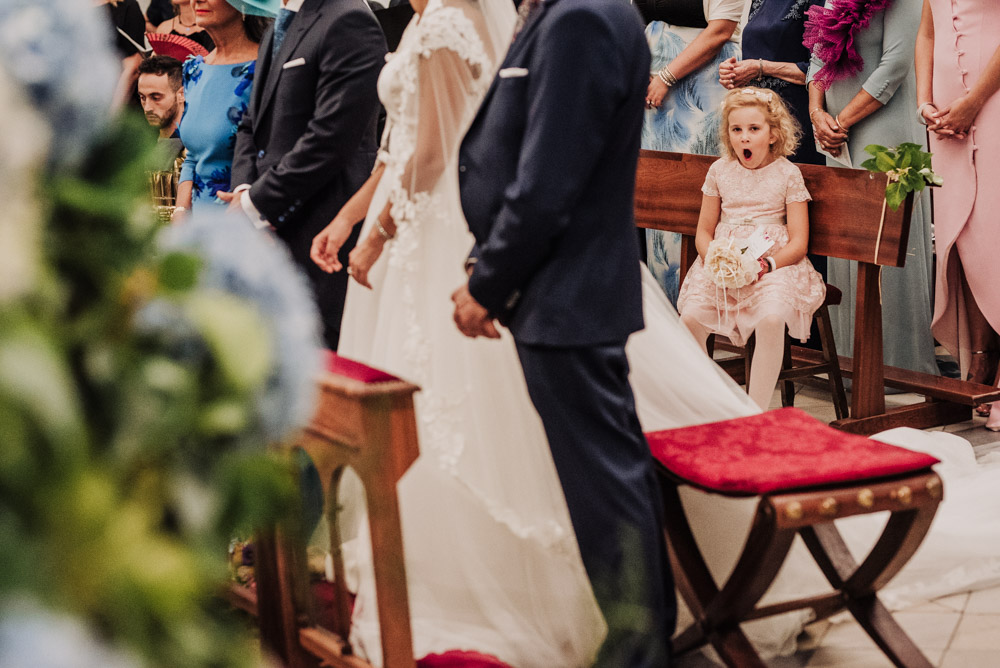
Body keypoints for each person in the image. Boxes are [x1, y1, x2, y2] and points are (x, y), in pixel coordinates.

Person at [455, 0, 674, 664]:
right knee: (608, 478)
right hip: (560, 289)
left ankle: (638, 647)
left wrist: (487, 282)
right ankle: (642, 635)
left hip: (564, 289)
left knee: (605, 487)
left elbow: (549, 180)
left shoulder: (581, 17)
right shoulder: (565, 11)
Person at [227, 0, 386, 351]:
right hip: (272, 227)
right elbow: (251, 123)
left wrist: (256, 202)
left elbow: (330, 139)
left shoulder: (349, 20)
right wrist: (244, 187)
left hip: (321, 222)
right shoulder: (277, 28)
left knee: (324, 356)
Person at [804, 0, 937, 376]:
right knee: (846, 243)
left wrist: (840, 121)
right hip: (835, 134)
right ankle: (850, 363)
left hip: (884, 129)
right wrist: (817, 114)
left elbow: (895, 66)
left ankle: (898, 367)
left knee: (887, 243)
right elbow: (818, 57)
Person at [676, 87, 825, 410]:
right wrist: (713, 257)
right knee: (690, 319)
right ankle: (712, 401)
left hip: (774, 263)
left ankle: (753, 410)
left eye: (753, 129)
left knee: (771, 319)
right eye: (736, 129)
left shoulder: (788, 173)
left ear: (773, 134)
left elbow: (799, 242)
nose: (744, 138)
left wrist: (766, 265)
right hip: (722, 260)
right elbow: (703, 230)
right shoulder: (719, 171)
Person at [916, 0, 1000, 429]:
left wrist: (974, 101)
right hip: (945, 120)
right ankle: (982, 356)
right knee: (961, 238)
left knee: (995, 236)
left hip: (994, 105)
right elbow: (927, 32)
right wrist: (924, 101)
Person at [636, 0, 745, 305]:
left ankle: (698, 308)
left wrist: (666, 77)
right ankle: (663, 307)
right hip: (651, 95)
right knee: (656, 200)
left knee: (693, 196)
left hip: (700, 87)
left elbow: (720, 30)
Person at [174, 0, 275, 213]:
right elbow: (192, 155)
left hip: (246, 216)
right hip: (197, 223)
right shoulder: (194, 69)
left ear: (245, 4)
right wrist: (181, 212)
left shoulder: (265, 70)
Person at [138, 54, 184, 139]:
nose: (147, 108)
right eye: (143, 98)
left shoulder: (192, 146)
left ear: (181, 94)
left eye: (156, 98)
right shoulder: (141, 140)